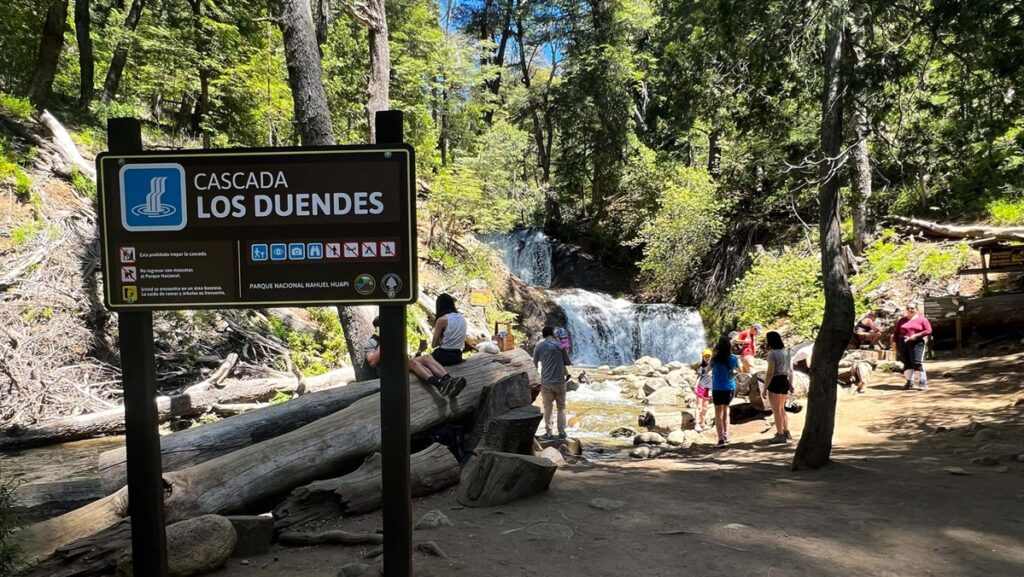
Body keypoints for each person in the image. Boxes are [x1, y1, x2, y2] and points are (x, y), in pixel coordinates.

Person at [364, 317, 465, 398]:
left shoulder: (396, 337)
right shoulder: (371, 343)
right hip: (388, 371)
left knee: (427, 357)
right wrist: (385, 340)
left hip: (401, 365)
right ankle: (439, 385)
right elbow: (372, 361)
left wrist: (418, 353)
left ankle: (449, 380)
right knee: (408, 361)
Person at [533, 326, 572, 440]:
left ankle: (549, 433)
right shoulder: (560, 346)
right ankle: (562, 433)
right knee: (561, 407)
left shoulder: (539, 346)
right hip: (560, 381)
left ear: (543, 334)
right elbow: (567, 362)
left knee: (548, 407)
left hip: (546, 382)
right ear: (552, 334)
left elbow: (534, 364)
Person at [891, 301, 932, 391]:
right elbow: (896, 333)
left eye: (912, 308)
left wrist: (917, 335)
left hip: (917, 343)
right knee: (906, 362)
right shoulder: (902, 320)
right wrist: (894, 344)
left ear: (916, 309)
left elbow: (928, 330)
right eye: (908, 308)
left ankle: (922, 381)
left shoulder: (922, 319)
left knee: (916, 362)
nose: (910, 310)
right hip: (903, 342)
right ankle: (909, 382)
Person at [764, 331, 793, 443]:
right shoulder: (786, 352)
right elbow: (790, 370)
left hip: (776, 381)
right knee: (782, 409)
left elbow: (770, 372)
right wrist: (790, 384)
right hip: (784, 380)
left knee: (776, 411)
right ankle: (786, 431)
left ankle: (780, 435)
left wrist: (765, 387)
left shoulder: (772, 354)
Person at [711, 336, 740, 446]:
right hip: (729, 387)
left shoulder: (714, 359)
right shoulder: (733, 359)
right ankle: (726, 434)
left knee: (718, 413)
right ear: (729, 346)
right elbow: (740, 369)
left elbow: (707, 370)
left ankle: (720, 438)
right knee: (726, 410)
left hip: (717, 388)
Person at [431, 293, 467, 367]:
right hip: (458, 355)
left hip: (443, 356)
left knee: (420, 360)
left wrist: (441, 340)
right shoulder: (462, 318)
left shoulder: (442, 320)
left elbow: (433, 345)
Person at [694, 348, 713, 431]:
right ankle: (697, 424)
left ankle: (703, 423)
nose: (707, 358)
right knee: (699, 406)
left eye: (709, 356)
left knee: (705, 407)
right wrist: (695, 386)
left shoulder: (714, 366)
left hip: (708, 389)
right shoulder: (701, 367)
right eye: (706, 356)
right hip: (701, 387)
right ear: (703, 357)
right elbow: (698, 378)